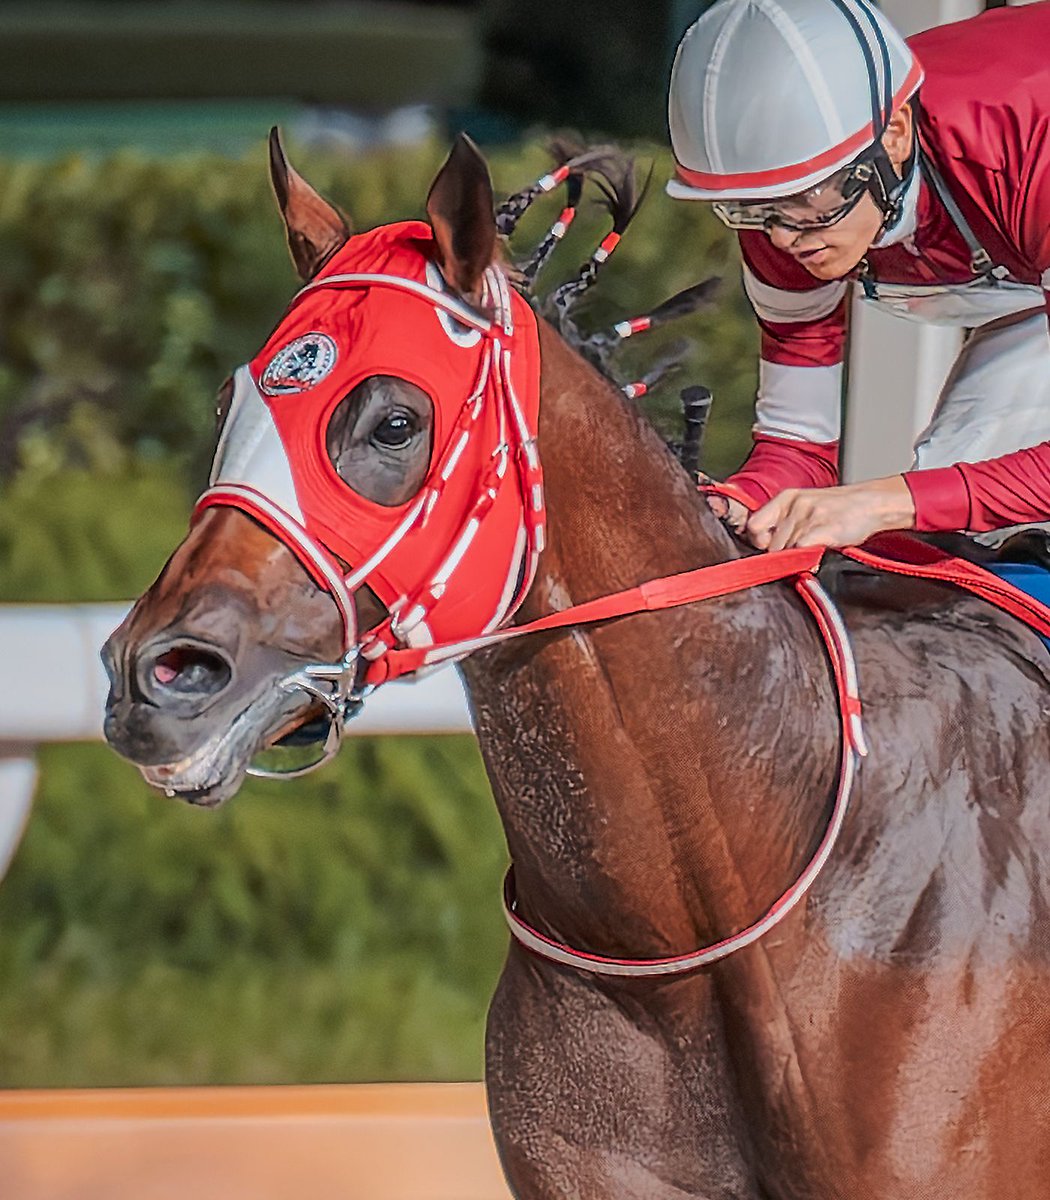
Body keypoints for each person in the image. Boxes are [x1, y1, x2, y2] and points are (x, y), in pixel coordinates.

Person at [666, 0, 1050, 555]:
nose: (782, 239)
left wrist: (881, 501)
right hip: (1022, 249)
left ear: (894, 135)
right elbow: (798, 448)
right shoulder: (784, 209)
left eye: (807, 203)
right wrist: (743, 500)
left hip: (1026, 159)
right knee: (948, 521)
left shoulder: (1023, 152)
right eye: (751, 210)